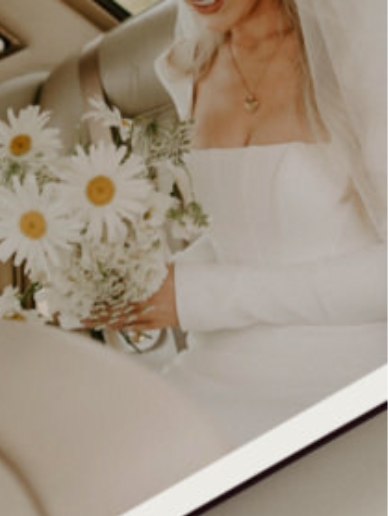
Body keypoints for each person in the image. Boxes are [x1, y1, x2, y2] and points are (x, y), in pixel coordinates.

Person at [118, 0, 385, 442]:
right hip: (215, 363)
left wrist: (194, 295)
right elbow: (242, 234)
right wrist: (146, 285)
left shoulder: (363, 54)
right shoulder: (188, 67)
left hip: (343, 375)